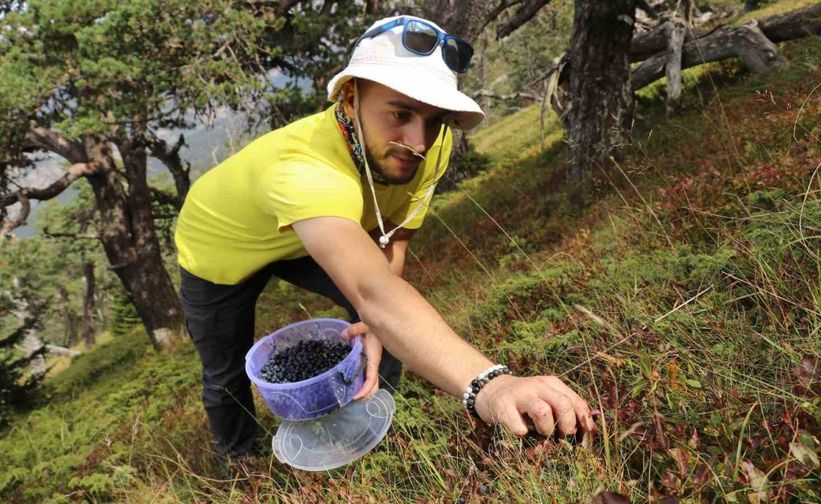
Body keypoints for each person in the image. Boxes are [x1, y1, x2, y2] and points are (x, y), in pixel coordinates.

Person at [175, 14, 596, 458]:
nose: (418, 140)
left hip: (317, 229)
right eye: (400, 113)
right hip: (220, 247)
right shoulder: (304, 171)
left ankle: (376, 421)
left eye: (433, 120)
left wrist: (378, 321)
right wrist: (491, 384)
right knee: (224, 368)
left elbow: (393, 242)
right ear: (352, 97)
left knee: (381, 321)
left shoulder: (431, 144)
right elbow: (374, 290)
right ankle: (240, 460)